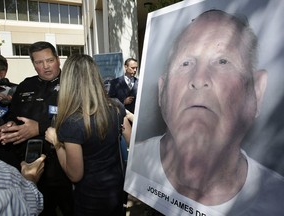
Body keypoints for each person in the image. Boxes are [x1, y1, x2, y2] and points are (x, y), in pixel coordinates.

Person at [129, 10, 284, 215]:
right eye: (186, 63)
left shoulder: (276, 200)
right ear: (162, 91)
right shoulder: (137, 164)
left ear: (256, 92)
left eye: (222, 61)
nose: (199, 78)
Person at [0, 41, 73, 216]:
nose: (45, 66)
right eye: (39, 62)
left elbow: (81, 120)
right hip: (29, 166)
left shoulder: (73, 83)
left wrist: (40, 127)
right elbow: (13, 115)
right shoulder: (26, 85)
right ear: (33, 64)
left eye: (49, 60)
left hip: (62, 166)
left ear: (58, 60)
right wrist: (9, 126)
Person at [45, 54, 127, 216]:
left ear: (68, 80)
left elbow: (75, 175)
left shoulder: (72, 123)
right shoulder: (116, 106)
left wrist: (56, 142)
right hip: (116, 191)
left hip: (91, 200)